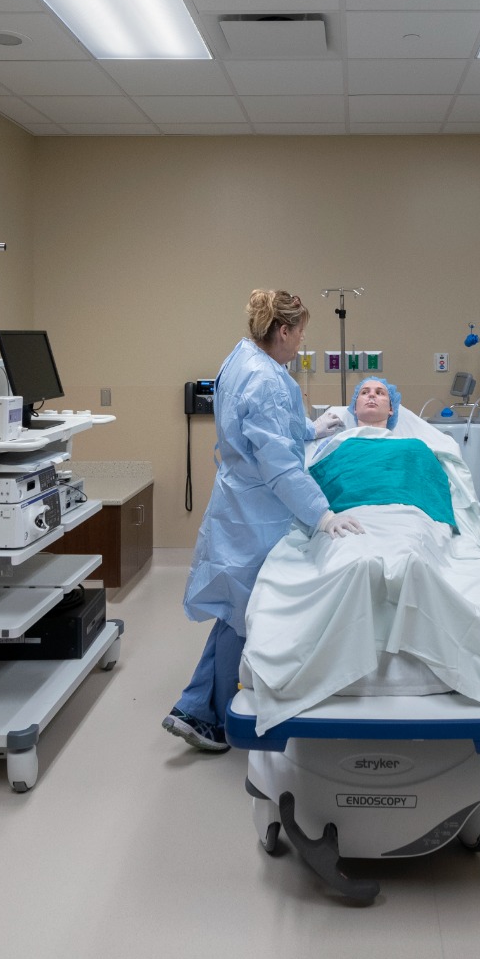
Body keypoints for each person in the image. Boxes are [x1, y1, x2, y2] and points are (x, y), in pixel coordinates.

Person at [165, 289, 359, 753]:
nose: (303, 341)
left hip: (239, 497)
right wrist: (323, 513)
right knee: (243, 616)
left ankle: (193, 708)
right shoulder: (268, 380)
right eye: (301, 332)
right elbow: (279, 465)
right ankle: (219, 718)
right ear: (283, 330)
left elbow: (260, 431)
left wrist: (311, 428)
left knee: (234, 612)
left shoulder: (243, 358)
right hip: (256, 509)